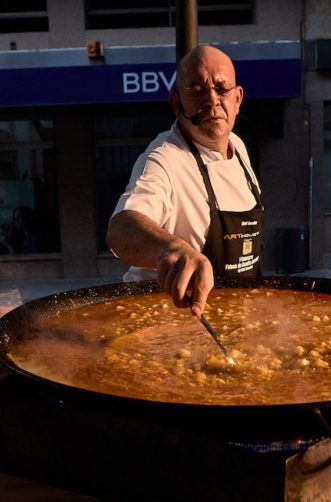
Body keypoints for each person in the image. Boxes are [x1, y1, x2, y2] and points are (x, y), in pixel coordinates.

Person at [106, 45, 263, 317]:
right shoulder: (163, 160)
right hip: (162, 326)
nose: (212, 100)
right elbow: (121, 229)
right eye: (196, 91)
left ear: (237, 99)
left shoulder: (237, 147)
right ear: (177, 103)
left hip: (233, 320)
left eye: (222, 89)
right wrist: (172, 248)